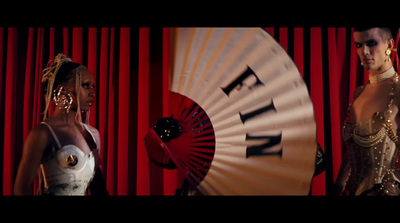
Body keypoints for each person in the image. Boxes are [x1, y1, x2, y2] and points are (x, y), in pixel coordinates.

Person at [14, 53, 109, 195]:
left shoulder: (92, 135)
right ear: (62, 89)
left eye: (93, 86)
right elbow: (21, 189)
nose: (92, 93)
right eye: (85, 85)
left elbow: (99, 188)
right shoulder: (43, 133)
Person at [335, 27, 399, 195]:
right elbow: (354, 147)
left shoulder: (398, 92)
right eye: (358, 44)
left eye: (371, 43)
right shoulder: (359, 92)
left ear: (389, 44)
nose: (364, 51)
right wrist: (340, 183)